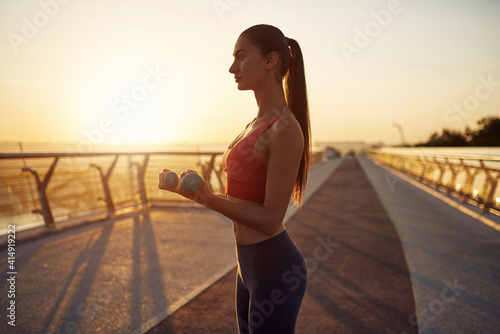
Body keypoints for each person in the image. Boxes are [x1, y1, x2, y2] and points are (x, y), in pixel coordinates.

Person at [159, 24, 311, 334]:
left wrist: (209, 199)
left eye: (241, 57)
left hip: (275, 268)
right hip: (247, 265)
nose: (232, 68)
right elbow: (243, 200)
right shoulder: (253, 124)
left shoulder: (285, 128)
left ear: (270, 61)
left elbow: (270, 219)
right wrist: (195, 192)